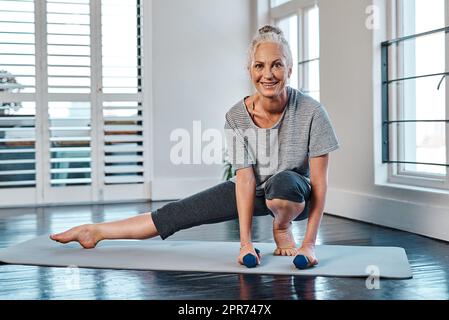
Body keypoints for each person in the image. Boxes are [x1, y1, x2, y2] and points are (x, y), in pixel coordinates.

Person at [50, 25, 339, 269]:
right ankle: (95, 232)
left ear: (289, 67)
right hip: (253, 188)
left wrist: (310, 244)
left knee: (284, 182)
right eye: (259, 65)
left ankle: (282, 226)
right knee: (176, 213)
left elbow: (320, 184)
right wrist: (245, 244)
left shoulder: (312, 112)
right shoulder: (237, 116)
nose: (268, 74)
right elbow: (245, 178)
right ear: (249, 69)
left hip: (293, 196)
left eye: (277, 64)